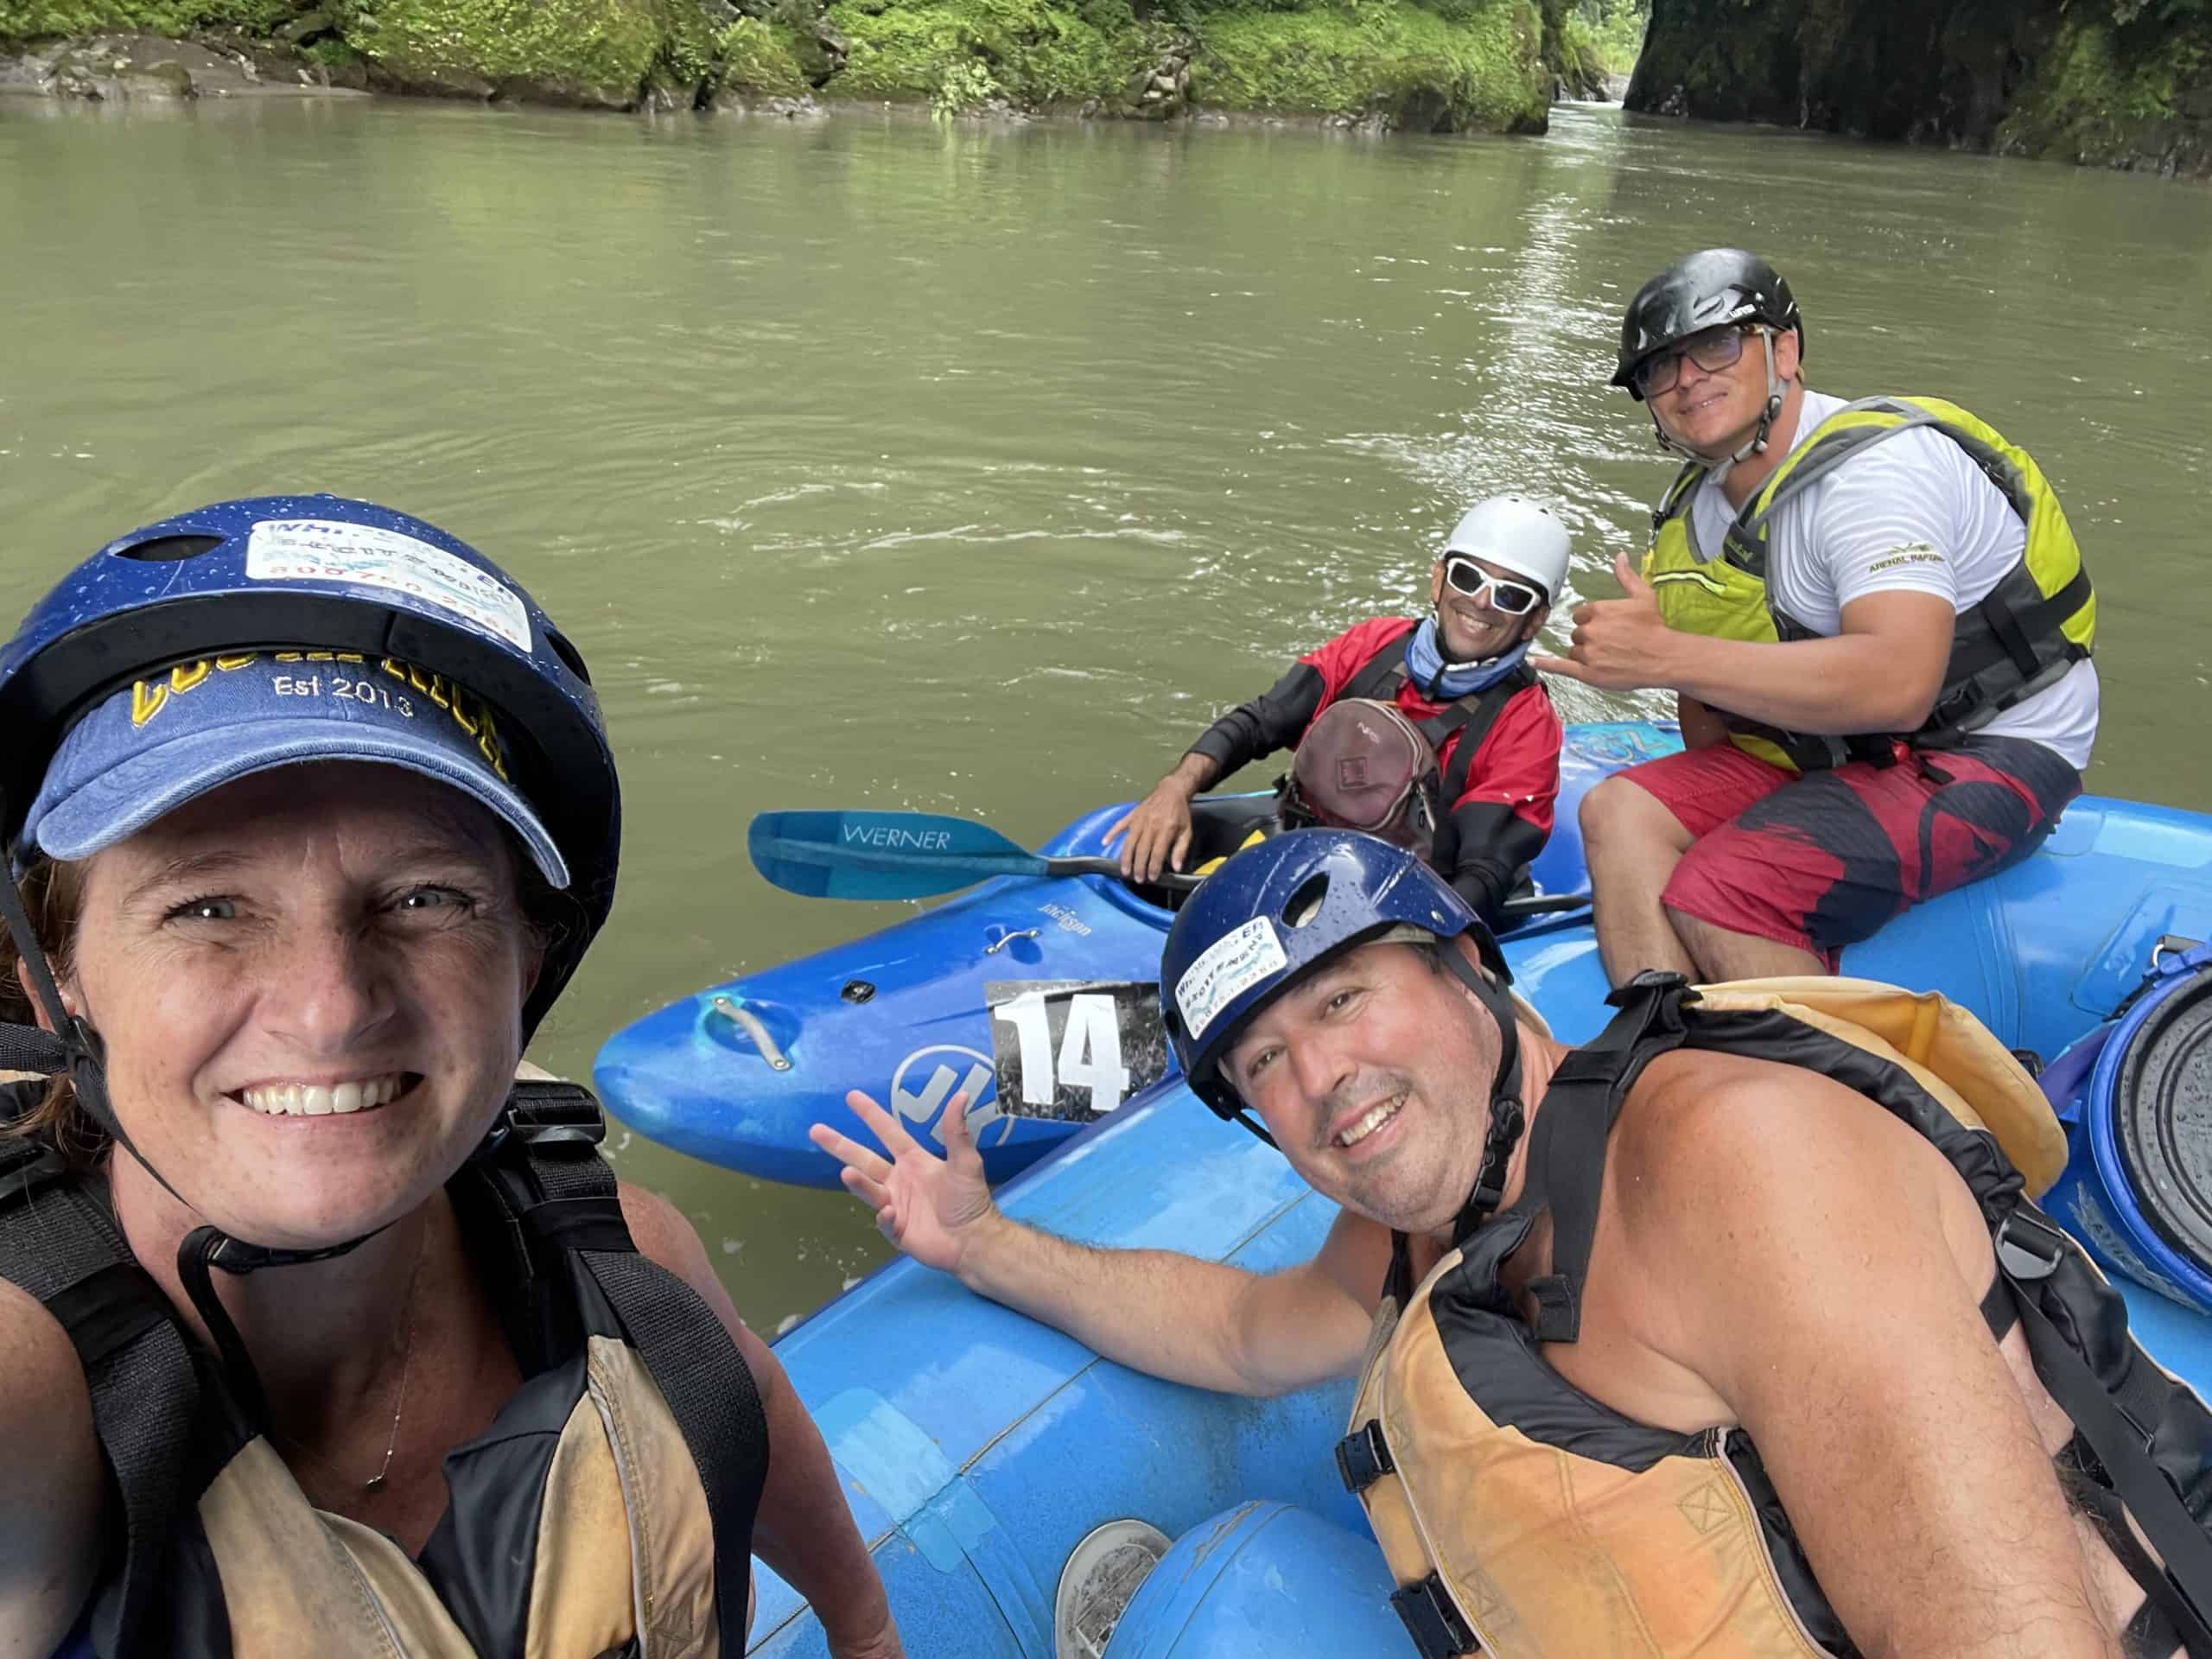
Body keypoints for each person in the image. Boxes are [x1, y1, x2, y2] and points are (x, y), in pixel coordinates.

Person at [813, 830, 2212, 1658]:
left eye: (1348, 1001)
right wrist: (982, 1241)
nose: (1323, 1085)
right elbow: (1248, 1336)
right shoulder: (1423, 1222)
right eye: (1268, 1064)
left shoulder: (1731, 1164)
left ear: (1475, 966)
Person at [0, 497, 904, 1659]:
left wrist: (868, 1631)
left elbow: (755, 1411)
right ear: (56, 973)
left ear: (530, 952)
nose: (331, 1010)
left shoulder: (635, 1263)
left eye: (429, 897)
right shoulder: (33, 1394)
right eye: (208, 907)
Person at [1534, 249, 2098, 986]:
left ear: (1785, 350)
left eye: (1715, 344)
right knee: (1617, 811)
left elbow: (1899, 684)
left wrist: (1665, 656)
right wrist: (1670, 661)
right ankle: (1662, 1058)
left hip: (1996, 746)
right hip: (1852, 754)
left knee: (1725, 888)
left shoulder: (1876, 474)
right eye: (1659, 368)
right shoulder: (1692, 525)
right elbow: (1717, 737)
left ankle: (1834, 1094)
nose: (1686, 380)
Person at [1104, 496, 1567, 930]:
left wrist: (1369, 934)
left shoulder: (1525, 723)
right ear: (1438, 579)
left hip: (1414, 890)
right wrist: (1176, 787)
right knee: (1155, 854)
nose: (1482, 602)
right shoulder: (1373, 646)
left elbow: (1480, 874)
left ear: (1535, 619)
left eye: (1511, 596)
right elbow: (1260, 721)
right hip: (1309, 841)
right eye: (1468, 577)